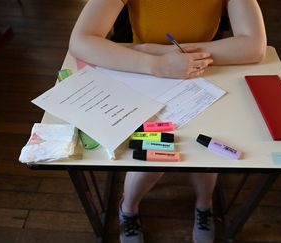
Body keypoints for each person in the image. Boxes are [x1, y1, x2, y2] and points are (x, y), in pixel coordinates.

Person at [69, 0, 266, 242]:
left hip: (201, 74)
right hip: (144, 72)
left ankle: (204, 204)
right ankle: (128, 207)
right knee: (153, 157)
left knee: (208, 150)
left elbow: (254, 47)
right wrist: (158, 64)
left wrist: (159, 51)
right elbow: (80, 41)